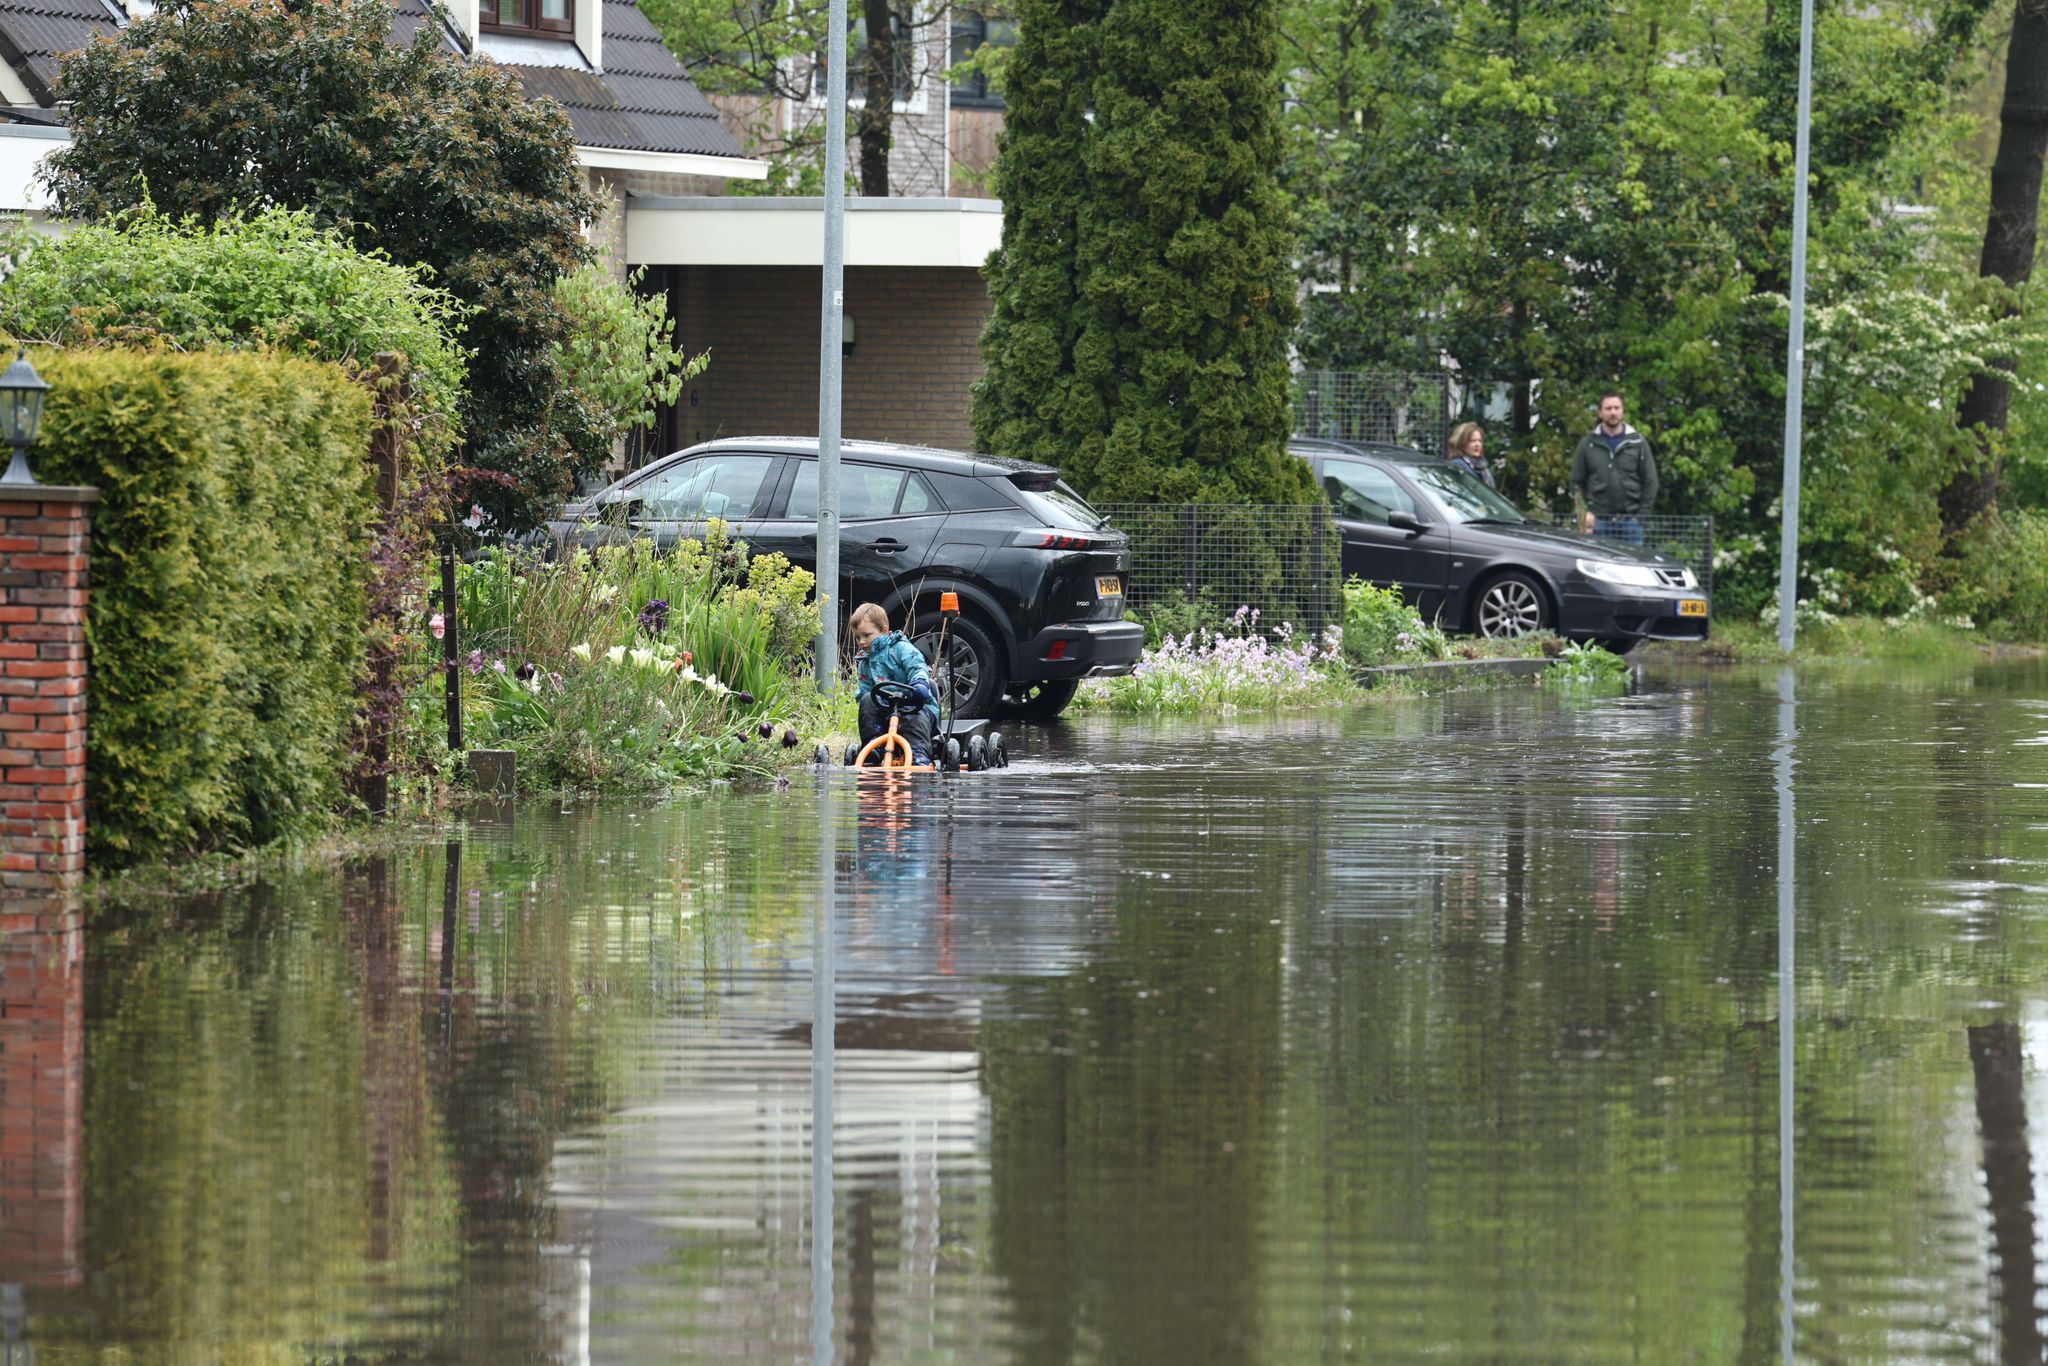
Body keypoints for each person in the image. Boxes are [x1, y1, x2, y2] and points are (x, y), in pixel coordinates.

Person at [852, 602, 939, 765]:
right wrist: (868, 700)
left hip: (915, 705)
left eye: (866, 635)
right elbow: (866, 690)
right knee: (866, 700)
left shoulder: (900, 648)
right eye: (858, 637)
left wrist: (919, 684)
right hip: (885, 710)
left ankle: (918, 754)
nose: (861, 642)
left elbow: (917, 666)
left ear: (884, 630)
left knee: (914, 718)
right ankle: (873, 748)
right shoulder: (864, 660)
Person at [1569, 391, 1658, 546]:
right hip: (1598, 522)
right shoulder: (1588, 444)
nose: (1613, 412)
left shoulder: (1638, 443)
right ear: (1600, 412)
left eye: (1617, 408)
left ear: (1622, 411)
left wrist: (1640, 517)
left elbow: (1651, 481)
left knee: (1632, 569)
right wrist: (1584, 514)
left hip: (1631, 523)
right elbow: (1576, 483)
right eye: (1608, 408)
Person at [1446, 421, 1497, 488]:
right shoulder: (1458, 465)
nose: (1477, 444)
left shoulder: (1482, 465)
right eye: (1473, 441)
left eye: (1480, 441)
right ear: (1461, 443)